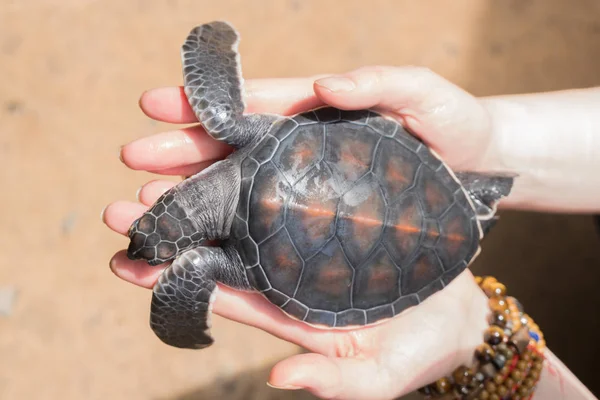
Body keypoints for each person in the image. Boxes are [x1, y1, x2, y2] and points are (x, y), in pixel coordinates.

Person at [102, 66, 599, 399]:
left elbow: (193, 274)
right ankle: (473, 197)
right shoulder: (252, 138)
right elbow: (219, 97)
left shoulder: (223, 257)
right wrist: (490, 141)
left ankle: (475, 198)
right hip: (410, 190)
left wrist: (479, 343)